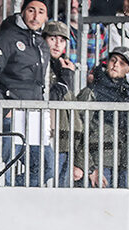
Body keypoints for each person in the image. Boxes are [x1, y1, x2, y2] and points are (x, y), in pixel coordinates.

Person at [0, 0, 53, 186]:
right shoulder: (6, 38)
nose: (35, 16)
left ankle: (16, 198)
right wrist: (3, 106)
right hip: (9, 115)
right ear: (23, 12)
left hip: (34, 115)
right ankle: (2, 203)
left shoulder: (41, 43)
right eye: (31, 10)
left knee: (45, 167)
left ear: (46, 17)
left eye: (41, 12)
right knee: (3, 167)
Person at [76, 46, 129, 188]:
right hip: (97, 164)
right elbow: (78, 131)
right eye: (113, 60)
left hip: (122, 164)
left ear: (128, 70)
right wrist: (89, 167)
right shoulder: (91, 92)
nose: (116, 65)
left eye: (122, 63)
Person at [43, 20, 83, 187]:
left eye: (62, 40)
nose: (57, 44)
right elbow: (49, 99)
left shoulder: (65, 66)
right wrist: (66, 78)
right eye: (53, 38)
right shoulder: (40, 64)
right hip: (48, 137)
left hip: (66, 140)